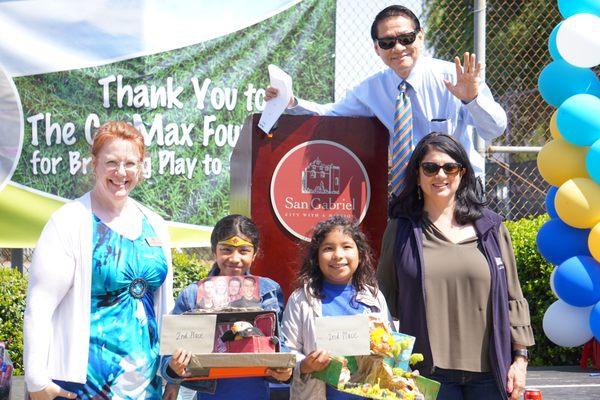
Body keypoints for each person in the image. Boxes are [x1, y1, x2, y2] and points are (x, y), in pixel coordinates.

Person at [266, 5, 506, 181]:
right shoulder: (369, 91)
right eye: (388, 42)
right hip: (408, 195)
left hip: (458, 192)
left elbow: (494, 129)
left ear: (420, 36)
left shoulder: (454, 78)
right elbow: (331, 114)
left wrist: (472, 99)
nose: (398, 48)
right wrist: (290, 101)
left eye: (406, 38)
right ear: (376, 48)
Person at [376, 133, 534, 400]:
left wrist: (520, 360)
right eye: (430, 168)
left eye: (450, 167)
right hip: (427, 374)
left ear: (462, 173)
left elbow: (512, 297)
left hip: (491, 371)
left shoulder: (491, 228)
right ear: (417, 174)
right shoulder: (401, 229)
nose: (441, 175)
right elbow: (382, 300)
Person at [23, 121, 174, 399]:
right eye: (111, 162)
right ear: (94, 164)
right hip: (83, 386)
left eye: (130, 163)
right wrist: (35, 381)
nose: (121, 172)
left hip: (146, 386)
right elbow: (39, 306)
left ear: (141, 167)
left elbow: (165, 308)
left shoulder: (155, 223)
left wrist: (171, 379)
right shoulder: (69, 222)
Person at [161, 214, 292, 400]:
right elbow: (170, 352)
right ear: (214, 250)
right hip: (211, 394)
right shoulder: (192, 295)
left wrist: (286, 369)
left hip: (255, 391)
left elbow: (280, 343)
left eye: (244, 250)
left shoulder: (269, 291)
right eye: (227, 249)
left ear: (254, 254)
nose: (235, 258)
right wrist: (173, 377)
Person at [281, 215, 393, 399]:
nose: (338, 255)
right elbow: (288, 351)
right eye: (328, 248)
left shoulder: (374, 297)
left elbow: (390, 348)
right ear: (316, 257)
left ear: (360, 254)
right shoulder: (301, 300)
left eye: (347, 247)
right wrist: (306, 364)